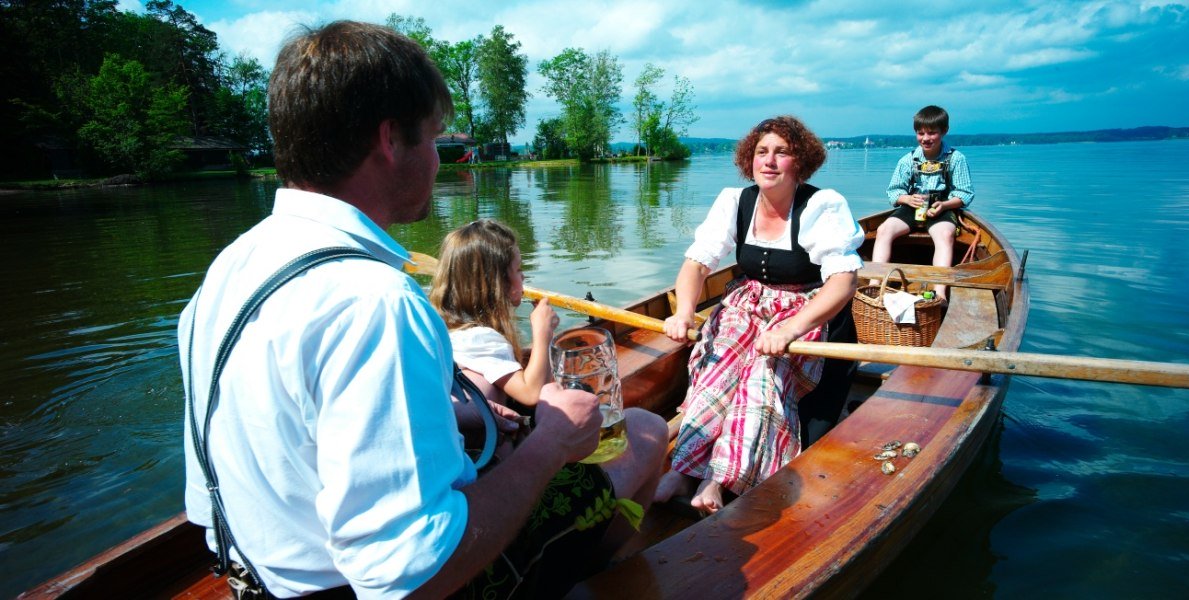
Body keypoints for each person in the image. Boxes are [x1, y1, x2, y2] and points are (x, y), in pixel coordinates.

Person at [179, 21, 666, 598]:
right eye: (434, 139)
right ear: (390, 140)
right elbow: (410, 579)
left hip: (256, 579)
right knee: (640, 431)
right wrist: (550, 443)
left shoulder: (231, 268)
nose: (439, 161)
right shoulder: (375, 303)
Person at [653, 116, 864, 515]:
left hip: (806, 313)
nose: (768, 161)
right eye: (761, 152)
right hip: (746, 307)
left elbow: (842, 283)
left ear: (799, 162)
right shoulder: (736, 201)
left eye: (781, 153)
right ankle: (683, 469)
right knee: (716, 369)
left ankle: (719, 477)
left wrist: (789, 328)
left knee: (761, 376)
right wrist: (683, 313)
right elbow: (696, 265)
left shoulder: (822, 205)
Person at [429, 218, 558, 409]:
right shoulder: (480, 338)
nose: (523, 276)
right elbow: (531, 394)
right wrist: (543, 334)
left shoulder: (456, 332)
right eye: (518, 269)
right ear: (499, 283)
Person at [872, 105, 975, 300]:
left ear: (944, 131)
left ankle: (940, 294)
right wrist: (907, 199)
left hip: (942, 207)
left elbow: (965, 194)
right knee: (884, 230)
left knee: (944, 235)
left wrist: (944, 205)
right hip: (912, 206)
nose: (925, 138)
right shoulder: (907, 160)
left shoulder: (956, 159)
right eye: (920, 133)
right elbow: (894, 192)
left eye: (932, 133)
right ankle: (874, 285)